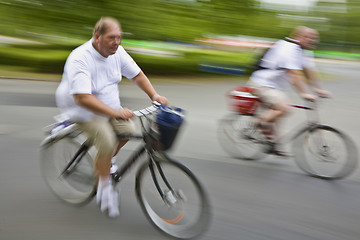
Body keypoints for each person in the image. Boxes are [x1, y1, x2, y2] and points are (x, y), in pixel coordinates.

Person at [55, 17, 168, 217]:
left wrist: (154, 96)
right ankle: (104, 188)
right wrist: (115, 112)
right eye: (111, 37)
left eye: (119, 37)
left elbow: (137, 75)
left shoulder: (117, 52)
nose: (117, 42)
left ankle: (104, 163)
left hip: (108, 104)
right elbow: (82, 98)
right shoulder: (80, 58)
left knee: (128, 131)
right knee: (106, 141)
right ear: (97, 36)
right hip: (82, 109)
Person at [248, 26, 331, 156]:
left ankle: (273, 145)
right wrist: (304, 93)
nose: (313, 41)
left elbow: (310, 71)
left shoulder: (303, 50)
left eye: (315, 38)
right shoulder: (288, 47)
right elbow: (294, 73)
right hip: (261, 83)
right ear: (298, 37)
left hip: (275, 87)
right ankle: (259, 122)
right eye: (310, 37)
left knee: (278, 117)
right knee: (284, 108)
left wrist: (318, 88)